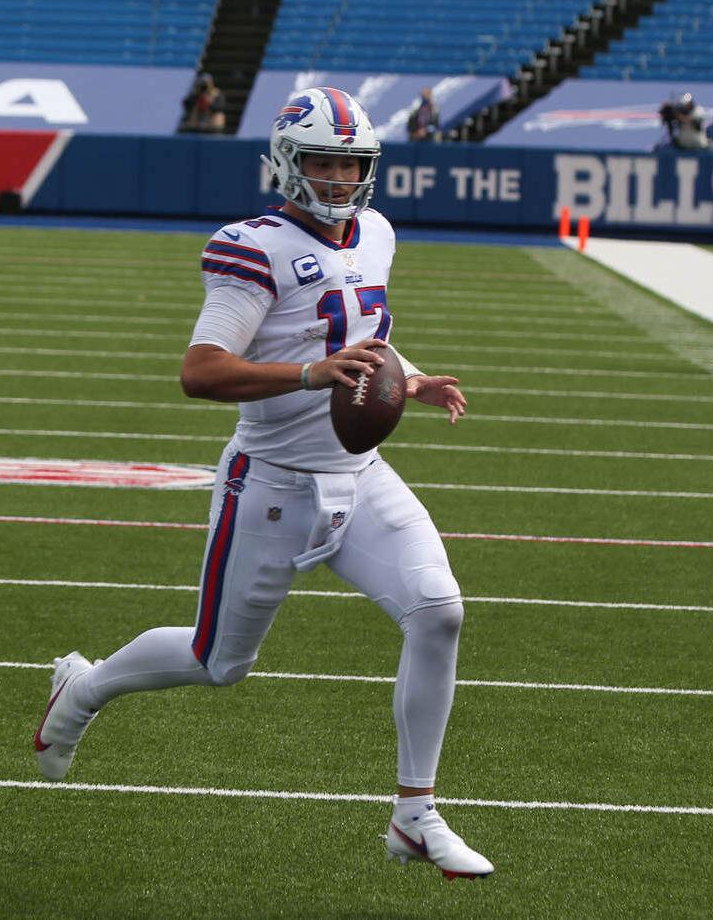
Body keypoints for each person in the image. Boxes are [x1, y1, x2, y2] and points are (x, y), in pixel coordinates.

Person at [33, 86, 493, 880]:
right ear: (286, 162)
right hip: (271, 481)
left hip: (361, 475)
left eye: (352, 163)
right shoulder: (252, 245)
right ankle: (81, 691)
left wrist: (407, 378)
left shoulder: (375, 231)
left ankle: (414, 815)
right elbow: (200, 372)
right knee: (218, 662)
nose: (340, 177)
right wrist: (311, 373)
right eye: (323, 160)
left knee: (440, 611)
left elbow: (364, 334)